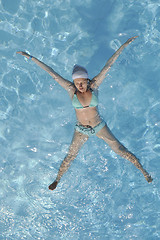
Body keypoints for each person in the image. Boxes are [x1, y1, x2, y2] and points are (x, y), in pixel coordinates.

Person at [17, 36, 153, 191]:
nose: (80, 85)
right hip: (81, 129)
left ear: (88, 80)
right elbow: (52, 73)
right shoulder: (71, 90)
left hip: (99, 126)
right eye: (77, 83)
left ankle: (143, 171)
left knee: (121, 150)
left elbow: (108, 66)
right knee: (70, 156)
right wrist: (30, 57)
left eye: (82, 82)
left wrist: (125, 44)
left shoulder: (94, 86)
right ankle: (57, 179)